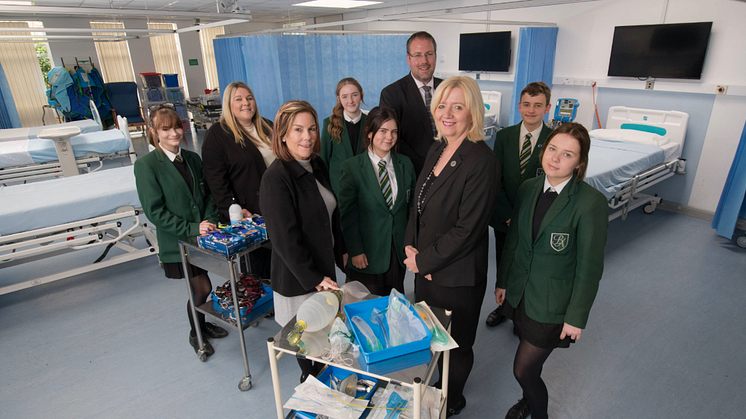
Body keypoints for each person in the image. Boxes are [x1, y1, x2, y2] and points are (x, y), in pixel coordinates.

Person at [495, 122, 608, 419]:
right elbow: (515, 241)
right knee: (529, 358)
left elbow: (590, 267)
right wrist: (504, 281)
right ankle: (527, 401)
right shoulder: (528, 188)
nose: (555, 158)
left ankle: (539, 414)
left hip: (553, 304)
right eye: (553, 149)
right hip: (520, 293)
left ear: (580, 163)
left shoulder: (590, 203)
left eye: (567, 154)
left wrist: (575, 317)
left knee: (523, 369)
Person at [402, 76, 499, 417]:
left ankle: (452, 400)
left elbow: (468, 230)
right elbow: (419, 203)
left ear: (472, 112)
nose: (448, 113)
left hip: (456, 278)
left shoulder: (482, 161)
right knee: (431, 338)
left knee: (455, 345)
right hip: (425, 268)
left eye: (457, 106)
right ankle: (435, 390)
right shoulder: (438, 147)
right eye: (442, 105)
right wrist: (411, 248)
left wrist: (424, 261)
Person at [259, 100, 347, 382]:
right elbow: (285, 239)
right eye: (298, 129)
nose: (307, 136)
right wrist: (315, 278)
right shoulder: (276, 178)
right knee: (307, 350)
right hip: (298, 279)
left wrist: (341, 252)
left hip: (322, 270)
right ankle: (312, 392)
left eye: (311, 129)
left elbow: (329, 213)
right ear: (282, 134)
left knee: (322, 342)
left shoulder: (315, 164)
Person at [134, 105, 227, 357]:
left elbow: (207, 195)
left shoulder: (193, 159)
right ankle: (196, 334)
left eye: (176, 126)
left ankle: (202, 325)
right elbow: (155, 212)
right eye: (166, 129)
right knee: (201, 288)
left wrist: (208, 221)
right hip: (178, 241)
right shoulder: (147, 166)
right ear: (154, 132)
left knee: (203, 287)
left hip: (203, 237)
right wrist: (192, 228)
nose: (173, 133)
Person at [486, 81, 554, 328]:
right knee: (505, 261)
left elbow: (551, 184)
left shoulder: (552, 140)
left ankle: (521, 312)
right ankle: (503, 305)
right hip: (504, 216)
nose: (531, 110)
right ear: (519, 106)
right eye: (526, 104)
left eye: (538, 105)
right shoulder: (504, 137)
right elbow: (496, 179)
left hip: (536, 219)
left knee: (528, 265)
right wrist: (507, 214)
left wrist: (526, 218)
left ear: (547, 108)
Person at [337, 106, 416, 296]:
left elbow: (411, 208)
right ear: (369, 132)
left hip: (396, 253)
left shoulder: (405, 164)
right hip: (366, 254)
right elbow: (347, 214)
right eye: (383, 131)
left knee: (395, 307)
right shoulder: (352, 167)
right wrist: (355, 250)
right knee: (367, 309)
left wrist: (409, 244)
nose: (389, 137)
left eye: (394, 131)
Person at [201, 81, 274, 278]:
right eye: (239, 99)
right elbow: (216, 182)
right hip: (249, 215)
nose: (246, 103)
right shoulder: (217, 135)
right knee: (260, 272)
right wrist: (233, 209)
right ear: (228, 104)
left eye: (249, 98)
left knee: (285, 264)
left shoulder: (267, 126)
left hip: (278, 206)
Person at [380, 31, 443, 176]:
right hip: (412, 172)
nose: (424, 61)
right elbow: (392, 138)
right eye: (417, 55)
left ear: (435, 56)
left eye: (429, 54)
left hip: (450, 169)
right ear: (408, 59)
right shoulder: (391, 94)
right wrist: (428, 165)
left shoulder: (449, 89)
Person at [319, 77, 367, 196]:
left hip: (366, 187)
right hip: (338, 189)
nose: (350, 100)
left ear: (361, 95)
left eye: (354, 95)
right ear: (339, 99)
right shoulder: (329, 124)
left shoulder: (370, 122)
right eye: (344, 96)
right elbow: (323, 160)